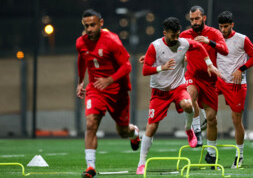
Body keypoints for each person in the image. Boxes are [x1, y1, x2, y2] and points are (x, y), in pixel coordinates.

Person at [136, 17, 220, 174]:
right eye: (172, 36)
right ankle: (141, 163)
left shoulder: (184, 43)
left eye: (177, 35)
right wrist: (162, 67)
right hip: (159, 92)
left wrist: (209, 64)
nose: (176, 38)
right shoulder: (155, 46)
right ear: (164, 33)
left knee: (188, 104)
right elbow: (145, 70)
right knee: (152, 127)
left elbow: (200, 47)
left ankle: (189, 129)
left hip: (178, 87)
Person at [76, 9, 140, 178]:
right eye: (86, 25)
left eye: (92, 25)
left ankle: (134, 134)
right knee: (91, 124)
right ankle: (91, 167)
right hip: (95, 89)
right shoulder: (81, 42)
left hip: (117, 90)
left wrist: (109, 80)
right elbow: (82, 58)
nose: (89, 29)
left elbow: (127, 66)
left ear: (101, 23)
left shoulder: (112, 41)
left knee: (122, 131)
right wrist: (80, 81)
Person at [180, 5, 228, 167]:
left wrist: (209, 42)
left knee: (212, 119)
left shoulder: (214, 33)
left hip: (210, 80)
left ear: (204, 18)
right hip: (192, 76)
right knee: (190, 96)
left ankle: (212, 153)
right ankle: (196, 131)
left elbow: (225, 50)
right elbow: (172, 49)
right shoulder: (185, 35)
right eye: (192, 19)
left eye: (197, 18)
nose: (194, 22)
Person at [216, 11, 253, 168]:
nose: (223, 30)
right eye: (220, 27)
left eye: (226, 26)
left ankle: (239, 155)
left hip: (236, 84)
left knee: (236, 120)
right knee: (199, 95)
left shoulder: (242, 39)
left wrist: (241, 69)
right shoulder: (216, 38)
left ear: (232, 24)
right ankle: (203, 124)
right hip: (219, 80)